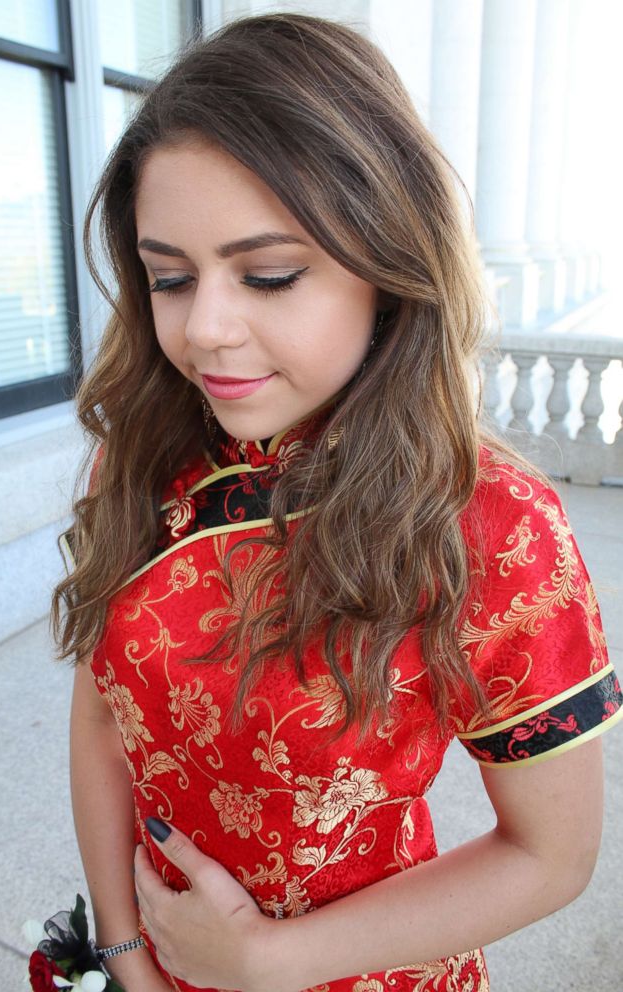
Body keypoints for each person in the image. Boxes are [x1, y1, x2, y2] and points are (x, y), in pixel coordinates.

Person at [53, 12, 622, 992]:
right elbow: (105, 715)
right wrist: (125, 953)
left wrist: (267, 959)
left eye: (268, 274)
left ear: (387, 265)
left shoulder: (489, 521)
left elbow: (550, 853)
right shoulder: (143, 453)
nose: (206, 332)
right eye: (168, 277)